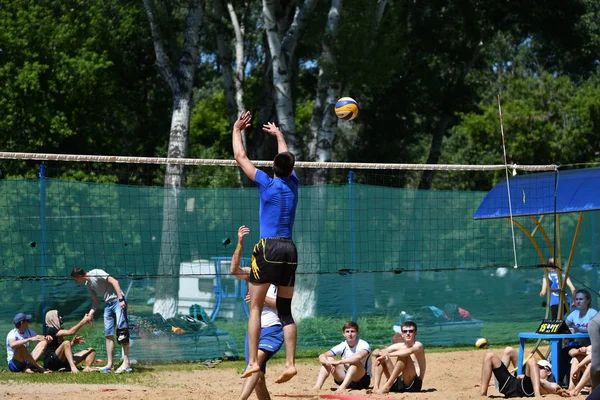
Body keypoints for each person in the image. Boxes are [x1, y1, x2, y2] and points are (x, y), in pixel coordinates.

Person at [233, 111, 299, 383]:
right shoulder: (293, 183)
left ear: (273, 168)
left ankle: (251, 363)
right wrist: (280, 136)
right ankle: (291, 364)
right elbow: (286, 159)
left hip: (268, 248)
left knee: (256, 308)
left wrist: (237, 130)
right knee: (285, 311)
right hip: (289, 249)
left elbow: (241, 158)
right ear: (291, 170)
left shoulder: (267, 183)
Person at [230, 225, 284, 400]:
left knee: (255, 365)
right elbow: (234, 270)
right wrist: (240, 243)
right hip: (254, 331)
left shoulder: (283, 277)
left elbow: (282, 305)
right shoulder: (252, 272)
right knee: (258, 376)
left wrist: (258, 298)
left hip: (274, 328)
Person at [71, 267, 132, 374]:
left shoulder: (96, 273)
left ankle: (126, 363)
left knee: (122, 332)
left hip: (117, 301)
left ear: (79, 276)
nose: (76, 282)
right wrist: (90, 315)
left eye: (75, 279)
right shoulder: (88, 285)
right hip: (108, 305)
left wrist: (121, 299)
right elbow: (95, 302)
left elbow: (114, 281)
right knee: (108, 335)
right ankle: (110, 364)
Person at [479, 346, 563, 397]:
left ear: (548, 372)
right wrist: (489, 383)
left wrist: (539, 381)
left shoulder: (551, 383)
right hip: (510, 384)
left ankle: (537, 396)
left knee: (532, 360)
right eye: (536, 367)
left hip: (526, 388)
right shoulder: (527, 376)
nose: (537, 369)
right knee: (489, 355)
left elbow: (555, 390)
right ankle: (483, 394)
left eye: (540, 367)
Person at [312, 321, 371, 392]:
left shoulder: (364, 344)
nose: (350, 334)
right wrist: (328, 362)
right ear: (344, 334)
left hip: (362, 380)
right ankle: (317, 386)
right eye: (347, 331)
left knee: (355, 362)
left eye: (352, 331)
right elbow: (322, 355)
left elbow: (359, 357)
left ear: (357, 333)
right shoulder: (343, 345)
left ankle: (342, 388)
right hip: (345, 378)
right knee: (329, 359)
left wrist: (339, 362)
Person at [369, 321, 426, 394]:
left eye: (411, 331)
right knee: (381, 356)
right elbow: (375, 352)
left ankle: (387, 386)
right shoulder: (399, 346)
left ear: (415, 333)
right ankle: (376, 387)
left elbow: (408, 352)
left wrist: (388, 355)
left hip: (414, 383)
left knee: (404, 355)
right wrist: (381, 353)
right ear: (402, 334)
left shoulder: (418, 345)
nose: (408, 333)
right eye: (405, 331)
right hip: (400, 381)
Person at [558, 289, 597, 384]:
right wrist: (568, 329)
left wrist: (576, 329)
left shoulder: (592, 313)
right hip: (578, 345)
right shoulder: (573, 314)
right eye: (576, 299)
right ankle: (559, 380)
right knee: (563, 352)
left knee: (568, 352)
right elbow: (562, 327)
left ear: (588, 301)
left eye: (581, 299)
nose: (578, 301)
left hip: (591, 346)